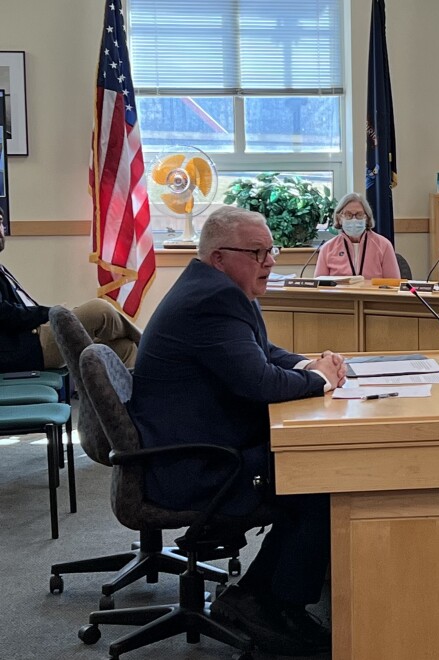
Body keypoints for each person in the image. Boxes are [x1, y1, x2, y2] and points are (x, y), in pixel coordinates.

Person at [127, 206, 347, 656]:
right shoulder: (214, 299)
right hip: (196, 465)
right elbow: (261, 383)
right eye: (258, 252)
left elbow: (261, 353)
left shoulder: (212, 288)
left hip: (192, 446)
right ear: (219, 258)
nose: (270, 262)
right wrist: (323, 379)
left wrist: (308, 364)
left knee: (310, 468)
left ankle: (260, 597)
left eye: (271, 250)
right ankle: (273, 605)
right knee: (321, 475)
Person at [0, 210, 140, 372]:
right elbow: (4, 314)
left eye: (1, 222)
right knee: (99, 309)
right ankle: (150, 345)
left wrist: (51, 314)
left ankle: (128, 397)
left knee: (124, 347)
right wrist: (51, 313)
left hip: (37, 334)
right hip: (25, 346)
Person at [314, 192, 400, 279]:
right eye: (348, 215)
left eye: (359, 215)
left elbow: (394, 284)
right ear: (340, 218)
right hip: (340, 293)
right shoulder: (328, 248)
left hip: (373, 292)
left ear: (366, 218)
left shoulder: (384, 246)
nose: (354, 219)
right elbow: (319, 287)